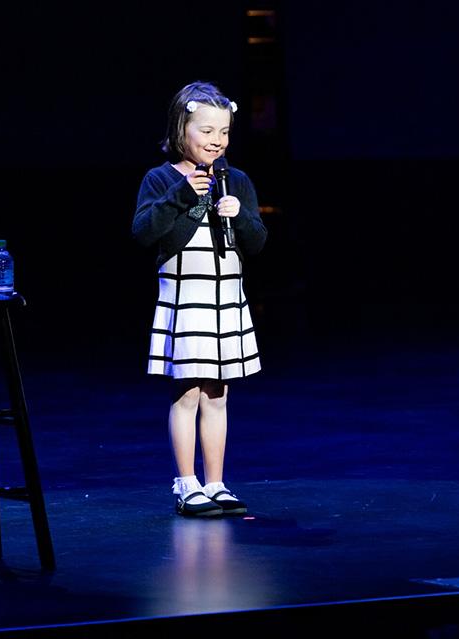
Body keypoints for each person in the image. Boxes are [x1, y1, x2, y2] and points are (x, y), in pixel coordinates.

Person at [132, 82, 267, 517]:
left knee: (218, 394)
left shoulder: (237, 180)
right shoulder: (161, 179)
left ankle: (216, 483)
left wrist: (240, 215)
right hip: (185, 295)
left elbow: (258, 242)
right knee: (188, 390)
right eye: (206, 130)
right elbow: (147, 233)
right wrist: (185, 195)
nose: (216, 140)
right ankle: (185, 483)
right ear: (181, 128)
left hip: (225, 295)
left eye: (224, 132)